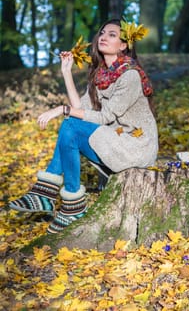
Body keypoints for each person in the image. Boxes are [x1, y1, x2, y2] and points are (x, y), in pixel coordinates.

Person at [9, 18, 159, 234]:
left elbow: (104, 116)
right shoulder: (102, 76)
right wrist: (66, 71)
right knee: (72, 123)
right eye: (102, 32)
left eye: (112, 35)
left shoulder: (130, 75)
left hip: (136, 147)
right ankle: (66, 204)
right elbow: (80, 107)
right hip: (115, 140)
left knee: (70, 121)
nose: (104, 37)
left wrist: (61, 109)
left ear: (124, 45)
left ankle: (55, 198)